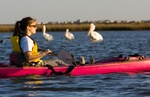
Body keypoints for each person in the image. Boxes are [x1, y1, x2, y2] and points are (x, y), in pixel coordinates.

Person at [9, 17, 76, 67]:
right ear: (28, 27)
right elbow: (29, 58)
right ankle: (76, 66)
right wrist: (44, 54)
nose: (36, 28)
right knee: (59, 61)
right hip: (33, 65)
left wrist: (42, 52)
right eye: (34, 26)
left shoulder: (21, 38)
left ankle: (75, 63)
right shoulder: (26, 40)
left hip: (21, 64)